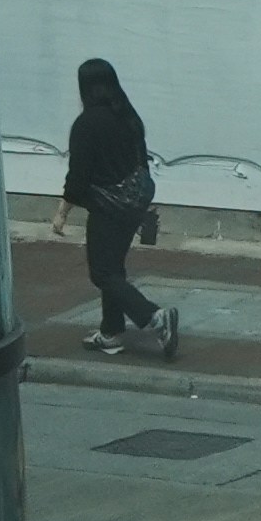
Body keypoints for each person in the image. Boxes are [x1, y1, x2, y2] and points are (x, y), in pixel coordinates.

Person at [66, 59, 172, 357]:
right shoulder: (127, 116)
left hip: (107, 207)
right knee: (113, 269)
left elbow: (78, 177)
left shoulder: (86, 124)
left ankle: (154, 317)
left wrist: (64, 209)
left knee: (102, 273)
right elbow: (141, 159)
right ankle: (111, 331)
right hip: (134, 203)